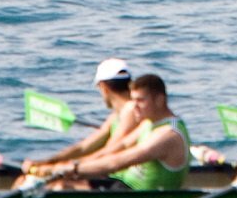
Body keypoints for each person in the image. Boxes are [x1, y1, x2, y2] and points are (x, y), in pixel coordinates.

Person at [35, 73, 191, 190]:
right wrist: (64, 165)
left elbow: (117, 162)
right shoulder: (148, 124)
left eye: (140, 101)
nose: (134, 106)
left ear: (159, 100)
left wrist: (70, 170)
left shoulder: (168, 135)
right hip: (123, 187)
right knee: (56, 182)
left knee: (62, 186)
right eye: (133, 100)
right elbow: (116, 150)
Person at [17, 59, 140, 173]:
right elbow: (83, 148)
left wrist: (58, 168)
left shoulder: (130, 111)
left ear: (103, 87)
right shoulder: (116, 116)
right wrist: (48, 161)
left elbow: (108, 154)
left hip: (128, 183)